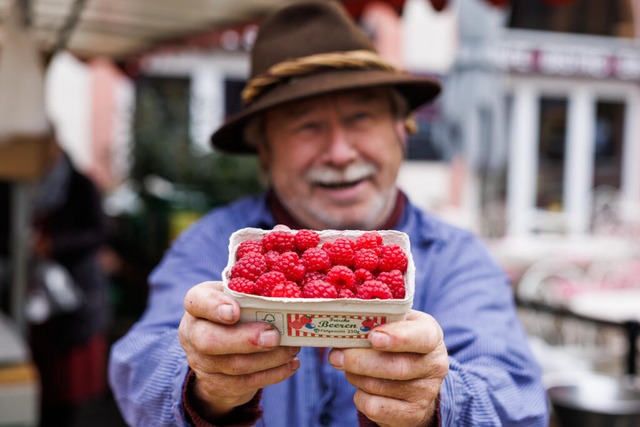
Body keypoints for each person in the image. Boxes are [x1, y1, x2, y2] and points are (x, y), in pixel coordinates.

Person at [109, 1, 549, 426]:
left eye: (361, 117)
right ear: (265, 147)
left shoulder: (457, 257)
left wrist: (436, 402)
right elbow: (138, 368)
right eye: (307, 126)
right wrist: (203, 382)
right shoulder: (215, 244)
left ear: (402, 130)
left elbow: (517, 399)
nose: (340, 153)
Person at [28, 133, 111, 426]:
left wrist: (54, 244)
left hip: (74, 293)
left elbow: (99, 231)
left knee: (66, 386)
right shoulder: (25, 186)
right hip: (36, 294)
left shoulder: (80, 185)